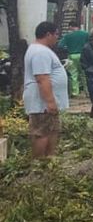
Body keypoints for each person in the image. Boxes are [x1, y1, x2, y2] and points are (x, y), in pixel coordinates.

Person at [24, 21, 69, 159]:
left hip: (46, 103)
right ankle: (39, 164)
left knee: (51, 130)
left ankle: (49, 160)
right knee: (42, 133)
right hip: (42, 103)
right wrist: (50, 102)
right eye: (56, 34)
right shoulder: (39, 52)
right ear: (48, 34)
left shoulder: (42, 50)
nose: (57, 38)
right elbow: (42, 78)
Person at [58, 20, 90, 98]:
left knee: (73, 75)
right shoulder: (85, 34)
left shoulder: (67, 36)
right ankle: (88, 92)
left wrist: (68, 47)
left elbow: (60, 45)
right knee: (84, 74)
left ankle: (75, 92)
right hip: (83, 55)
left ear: (71, 27)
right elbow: (90, 43)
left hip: (72, 56)